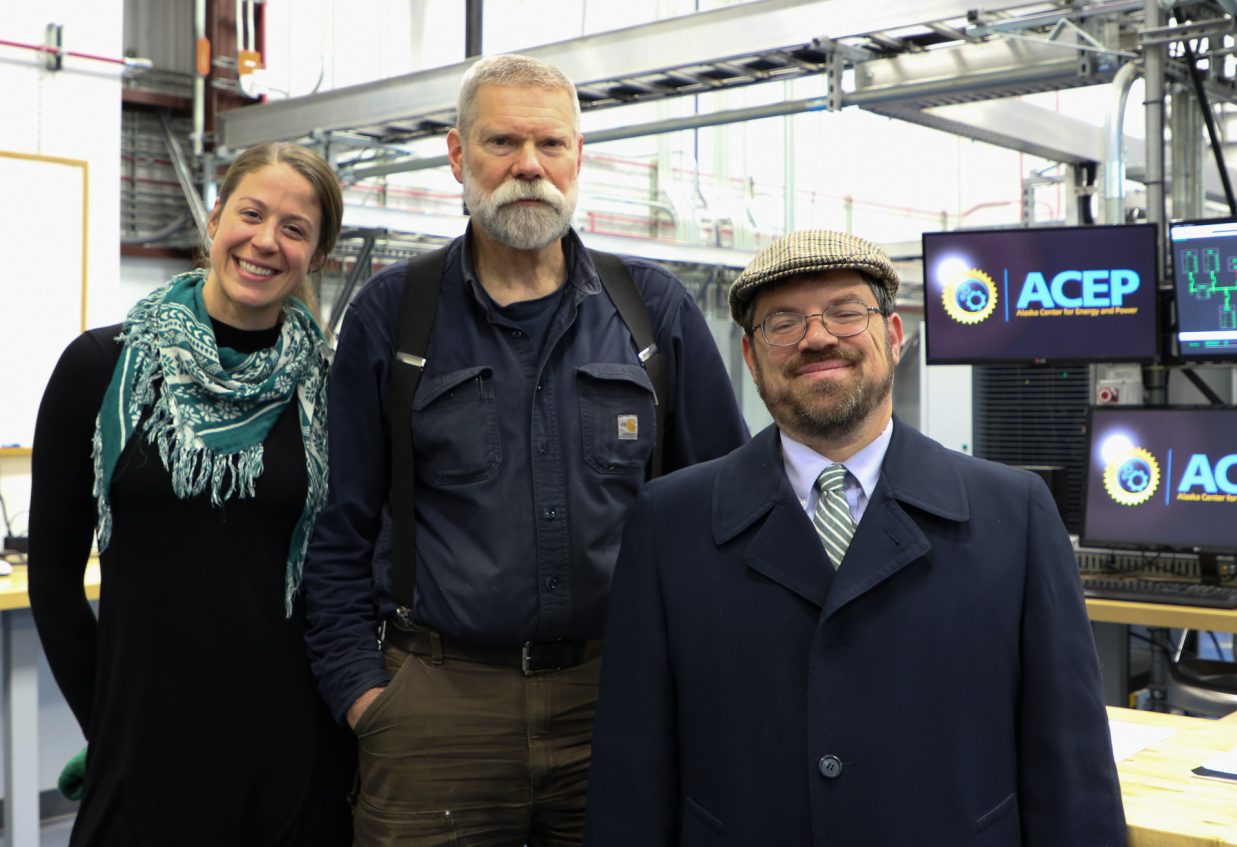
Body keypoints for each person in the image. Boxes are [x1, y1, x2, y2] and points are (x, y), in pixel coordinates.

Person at [301, 52, 748, 845]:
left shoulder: (653, 312)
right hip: (436, 709)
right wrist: (367, 698)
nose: (528, 167)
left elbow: (725, 511)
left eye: (551, 145)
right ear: (457, 154)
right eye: (502, 142)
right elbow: (340, 525)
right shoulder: (392, 316)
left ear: (580, 157)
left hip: (620, 696)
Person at [584, 230, 1127, 846]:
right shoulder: (669, 522)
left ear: (893, 338)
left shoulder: (1016, 515)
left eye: (846, 311)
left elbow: (1071, 762)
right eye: (782, 323)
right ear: (752, 360)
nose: (817, 337)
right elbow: (633, 770)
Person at [28, 142, 355, 846]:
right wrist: (107, 723)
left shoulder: (331, 393)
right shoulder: (100, 369)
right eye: (252, 213)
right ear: (216, 218)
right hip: (142, 748)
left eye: (295, 229)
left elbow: (351, 574)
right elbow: (52, 579)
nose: (266, 241)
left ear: (317, 253)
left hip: (291, 749)